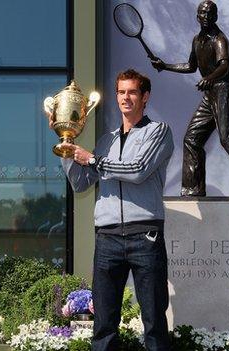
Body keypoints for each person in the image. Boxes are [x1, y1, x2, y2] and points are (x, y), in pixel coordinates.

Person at [46, 69, 174, 351]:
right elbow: (81, 184)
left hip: (146, 235)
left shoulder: (159, 132)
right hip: (107, 238)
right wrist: (67, 147)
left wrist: (92, 159)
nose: (125, 98)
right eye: (120, 92)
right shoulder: (107, 141)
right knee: (103, 325)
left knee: (154, 322)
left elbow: (138, 170)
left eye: (132, 92)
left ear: (145, 97)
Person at [151, 0, 229, 197]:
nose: (206, 17)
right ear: (197, 17)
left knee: (228, 139)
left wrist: (209, 78)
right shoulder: (197, 40)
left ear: (216, 17)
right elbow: (190, 66)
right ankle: (193, 189)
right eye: (202, 14)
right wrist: (164, 65)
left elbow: (224, 66)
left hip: (223, 91)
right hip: (210, 96)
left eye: (210, 14)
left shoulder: (219, 40)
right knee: (192, 139)